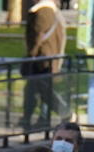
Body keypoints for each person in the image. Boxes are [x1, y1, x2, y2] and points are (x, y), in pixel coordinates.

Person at [21, 0, 64, 129]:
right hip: (48, 60)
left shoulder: (42, 12)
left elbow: (37, 36)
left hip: (40, 61)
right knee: (41, 90)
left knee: (39, 91)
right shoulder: (53, 12)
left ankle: (65, 114)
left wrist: (30, 55)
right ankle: (40, 119)